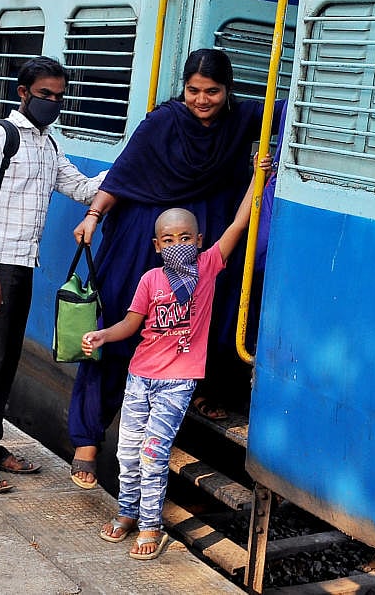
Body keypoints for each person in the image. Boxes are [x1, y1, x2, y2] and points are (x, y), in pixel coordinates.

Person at [69, 48, 267, 489]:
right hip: (143, 238)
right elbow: (120, 177)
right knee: (120, 323)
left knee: (198, 323)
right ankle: (87, 438)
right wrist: (92, 217)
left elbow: (292, 111)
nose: (202, 100)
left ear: (227, 90)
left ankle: (196, 400)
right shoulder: (163, 121)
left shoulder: (244, 118)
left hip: (197, 243)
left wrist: (263, 167)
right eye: (193, 90)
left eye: (212, 91)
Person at [0, 56, 106, 493]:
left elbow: (82, 188)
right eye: (44, 95)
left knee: (5, 360)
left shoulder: (48, 145)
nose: (52, 103)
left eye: (58, 96)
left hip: (20, 264)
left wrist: (132, 165)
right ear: (23, 93)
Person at [82, 188, 255, 559]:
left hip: (177, 382)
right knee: (127, 453)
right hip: (139, 377)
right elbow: (131, 324)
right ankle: (126, 512)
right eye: (169, 239)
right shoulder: (150, 280)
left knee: (153, 453)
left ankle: (150, 525)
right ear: (157, 245)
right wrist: (102, 335)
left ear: (200, 241)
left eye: (186, 238)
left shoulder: (207, 266)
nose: (178, 244)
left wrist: (257, 177)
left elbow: (240, 225)